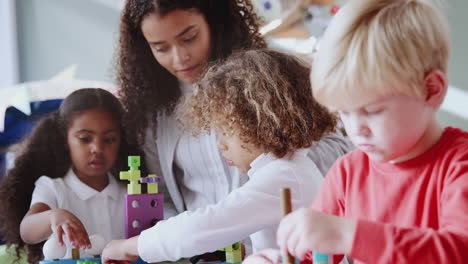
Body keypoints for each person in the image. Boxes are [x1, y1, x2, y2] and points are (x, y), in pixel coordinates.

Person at [244, 0, 468, 263]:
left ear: (431, 90)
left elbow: (458, 250)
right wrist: (277, 259)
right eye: (344, 113)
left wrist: (348, 235)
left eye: (371, 111)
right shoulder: (347, 173)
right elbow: (312, 253)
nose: (356, 129)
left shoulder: (459, 167)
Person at [116, 0, 351, 224]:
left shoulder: (273, 75)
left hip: (281, 245)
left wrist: (279, 149)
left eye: (189, 38)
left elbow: (340, 153)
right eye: (161, 48)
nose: (179, 57)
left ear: (214, 22)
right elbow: (162, 196)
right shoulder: (154, 110)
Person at [101, 49, 340, 263]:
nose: (221, 144)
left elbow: (201, 227)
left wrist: (130, 246)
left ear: (261, 124)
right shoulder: (287, 169)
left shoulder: (284, 176)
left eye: (227, 131)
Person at [0, 88, 138, 264]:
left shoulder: (131, 192)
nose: (97, 148)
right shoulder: (52, 188)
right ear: (65, 139)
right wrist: (53, 216)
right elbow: (27, 231)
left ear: (121, 140)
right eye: (85, 138)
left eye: (109, 139)